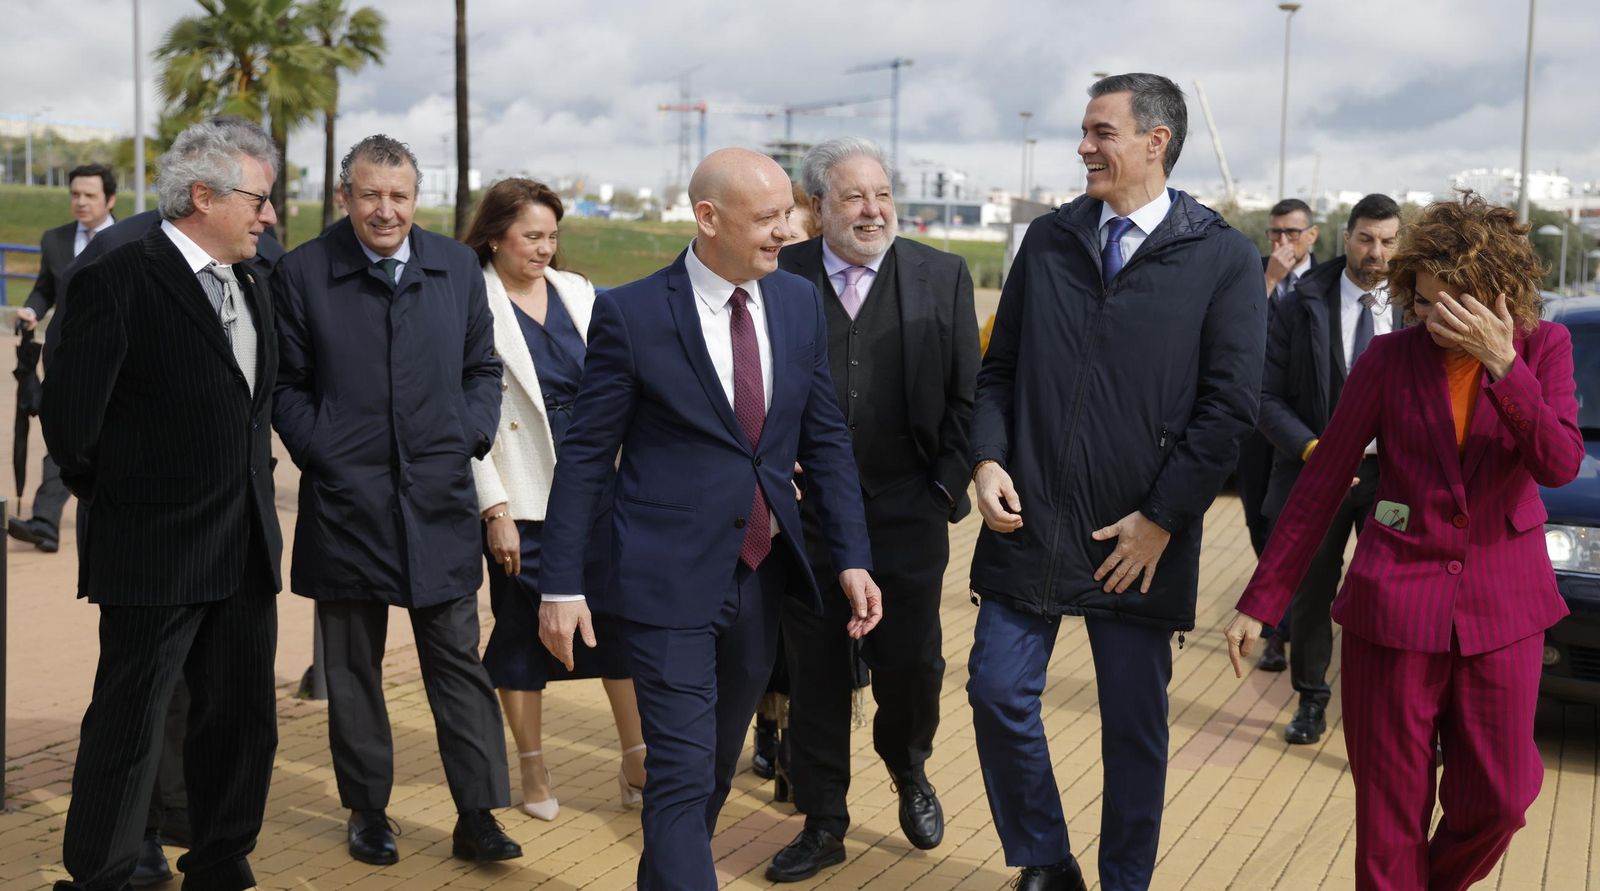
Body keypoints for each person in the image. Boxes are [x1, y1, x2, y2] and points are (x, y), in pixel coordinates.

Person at [536, 147, 883, 891]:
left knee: (713, 770)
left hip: (761, 577)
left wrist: (852, 554)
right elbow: (588, 458)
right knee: (684, 770)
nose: (786, 232)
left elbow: (824, 438)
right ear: (707, 218)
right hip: (664, 582)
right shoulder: (630, 313)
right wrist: (559, 582)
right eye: (766, 219)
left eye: (788, 215)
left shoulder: (794, 304)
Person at [1226, 192, 1582, 891]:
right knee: (1388, 820)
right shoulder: (1390, 359)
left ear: (1492, 295)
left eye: (1445, 306)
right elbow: (1324, 480)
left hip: (1503, 611)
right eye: (1419, 302)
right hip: (1393, 610)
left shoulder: (1546, 348)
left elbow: (1560, 462)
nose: (1427, 317)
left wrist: (1505, 368)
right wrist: (1262, 600)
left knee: (1504, 799)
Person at [966, 73, 1264, 891]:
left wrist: (1162, 519)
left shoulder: (1223, 259)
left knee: (1134, 727)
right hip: (1028, 524)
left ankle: (1124, 880)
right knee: (995, 691)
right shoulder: (1051, 241)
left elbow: (1229, 407)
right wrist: (987, 458)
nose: (1084, 146)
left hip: (1137, 539)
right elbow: (998, 370)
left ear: (1155, 141)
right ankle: (1045, 857)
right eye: (1085, 131)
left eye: (1101, 132)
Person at [42, 119, 283, 891]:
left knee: (241, 720)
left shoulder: (254, 279)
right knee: (129, 725)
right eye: (259, 199)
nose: (268, 216)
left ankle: (220, 861)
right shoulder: (118, 278)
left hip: (243, 545)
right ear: (203, 195)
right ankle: (103, 874)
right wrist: (138, 503)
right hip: (153, 550)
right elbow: (72, 426)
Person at [272, 134, 519, 864]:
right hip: (347, 506)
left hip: (439, 501)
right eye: (371, 195)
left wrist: (465, 436)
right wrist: (327, 451)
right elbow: (285, 386)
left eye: (399, 196)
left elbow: (483, 368)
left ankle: (478, 813)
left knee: (458, 664)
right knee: (351, 671)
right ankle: (367, 810)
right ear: (344, 196)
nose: (386, 210)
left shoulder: (455, 268)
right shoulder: (304, 272)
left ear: (418, 198)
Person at [765, 136, 979, 883]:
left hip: (907, 510)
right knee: (816, 671)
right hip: (810, 517)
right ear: (816, 206)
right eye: (854, 197)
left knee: (912, 665)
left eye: (882, 194)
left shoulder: (940, 275)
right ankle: (823, 822)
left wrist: (945, 489)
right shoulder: (779, 276)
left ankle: (908, 763)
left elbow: (965, 398)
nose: (873, 210)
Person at [460, 177, 648, 821]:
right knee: (521, 630)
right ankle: (534, 773)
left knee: (617, 623)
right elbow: (468, 417)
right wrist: (494, 509)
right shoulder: (469, 301)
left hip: (600, 487)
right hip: (524, 494)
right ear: (493, 237)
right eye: (531, 237)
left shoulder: (580, 292)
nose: (546, 248)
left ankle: (637, 760)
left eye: (553, 236)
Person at [1256, 193, 1403, 744]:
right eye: (1366, 239)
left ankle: (1390, 710)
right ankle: (1312, 702)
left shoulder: (1419, 305)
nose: (1376, 252)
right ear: (1345, 237)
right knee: (1314, 592)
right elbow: (1265, 397)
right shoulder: (1302, 302)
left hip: (1395, 478)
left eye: (1388, 241)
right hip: (1316, 472)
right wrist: (1312, 450)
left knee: (1391, 596)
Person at [8, 163, 117, 554]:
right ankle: (45, 523)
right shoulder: (54, 240)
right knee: (64, 436)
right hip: (65, 362)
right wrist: (31, 310)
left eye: (89, 195)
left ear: (110, 199)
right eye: (75, 194)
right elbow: (44, 290)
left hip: (118, 364)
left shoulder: (134, 240)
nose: (81, 201)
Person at [1242, 197, 1321, 671]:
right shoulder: (1255, 274)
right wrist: (1269, 277)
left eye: (1292, 233)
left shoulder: (1328, 281)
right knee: (1259, 520)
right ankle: (1279, 617)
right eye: (1275, 233)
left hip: (1302, 425)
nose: (1283, 242)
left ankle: (1280, 626)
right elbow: (1239, 326)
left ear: (1312, 235)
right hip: (1256, 422)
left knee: (1300, 527)